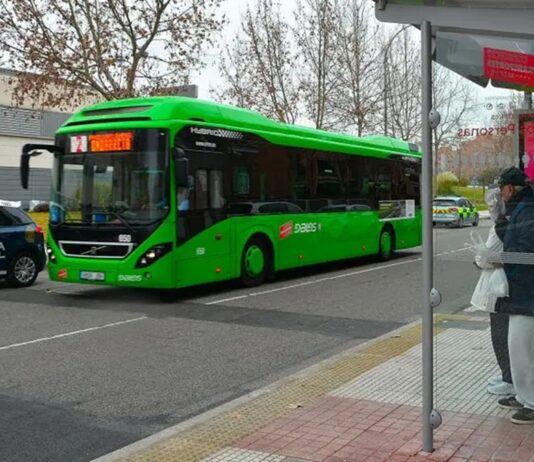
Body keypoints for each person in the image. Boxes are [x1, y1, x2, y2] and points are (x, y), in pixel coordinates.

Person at [493, 167, 534, 424]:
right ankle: (523, 395)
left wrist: (499, 259)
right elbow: (513, 239)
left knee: (522, 348)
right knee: (518, 347)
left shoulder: (528, 210)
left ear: (510, 188)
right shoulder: (523, 208)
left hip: (528, 293)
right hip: (523, 292)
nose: (500, 194)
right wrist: (499, 220)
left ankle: (531, 402)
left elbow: (529, 254)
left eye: (501, 190)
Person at [470, 186, 513, 395]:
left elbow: (487, 258)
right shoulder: (513, 222)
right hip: (508, 287)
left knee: (500, 335)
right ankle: (509, 375)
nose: (491, 208)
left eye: (492, 204)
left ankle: (509, 378)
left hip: (498, 289)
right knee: (505, 334)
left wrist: (479, 259)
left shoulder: (499, 227)